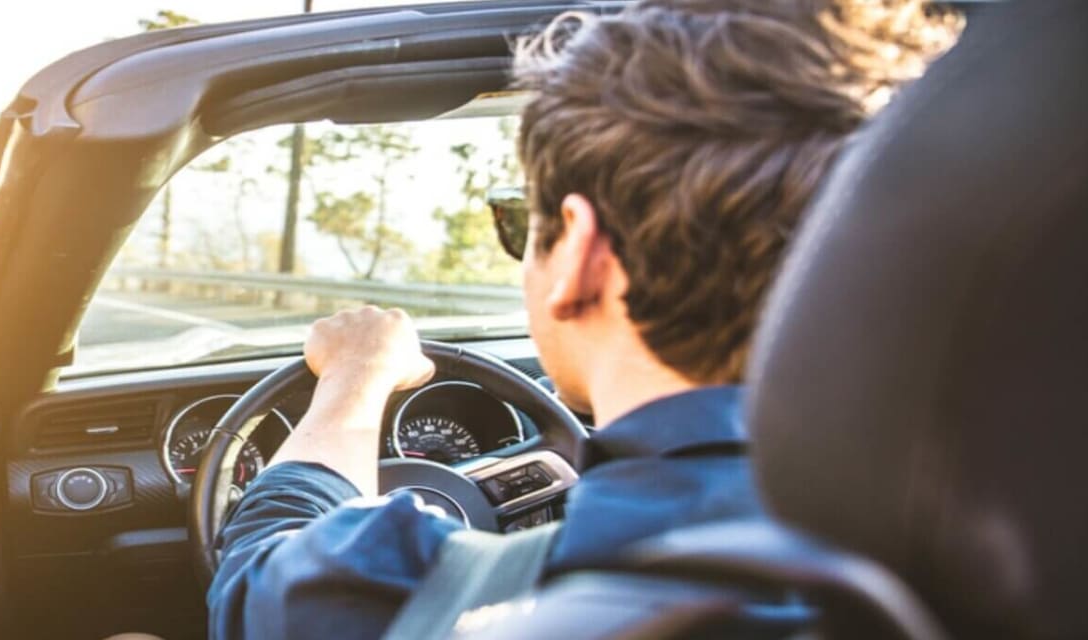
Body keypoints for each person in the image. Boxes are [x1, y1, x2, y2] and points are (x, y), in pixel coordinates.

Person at [206, 1, 958, 639]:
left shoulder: (428, 591)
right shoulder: (1016, 549)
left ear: (581, 254)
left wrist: (356, 375)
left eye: (520, 226)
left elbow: (257, 571)